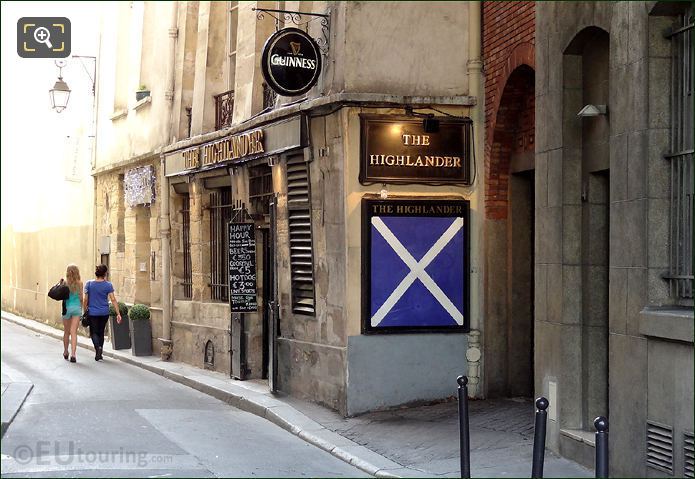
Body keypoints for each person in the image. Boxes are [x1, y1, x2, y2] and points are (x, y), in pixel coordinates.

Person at [84, 264, 121, 361]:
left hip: (93, 313)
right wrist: (118, 313)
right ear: (105, 274)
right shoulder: (108, 285)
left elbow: (85, 299)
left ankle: (98, 349)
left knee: (93, 333)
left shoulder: (89, 284)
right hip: (104, 312)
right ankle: (99, 353)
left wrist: (85, 310)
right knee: (101, 332)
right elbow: (113, 299)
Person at [62, 265, 83, 363]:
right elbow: (81, 298)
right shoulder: (80, 283)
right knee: (74, 332)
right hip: (77, 308)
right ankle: (73, 354)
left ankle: (66, 352)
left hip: (67, 308)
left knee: (67, 332)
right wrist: (81, 309)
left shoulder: (65, 283)